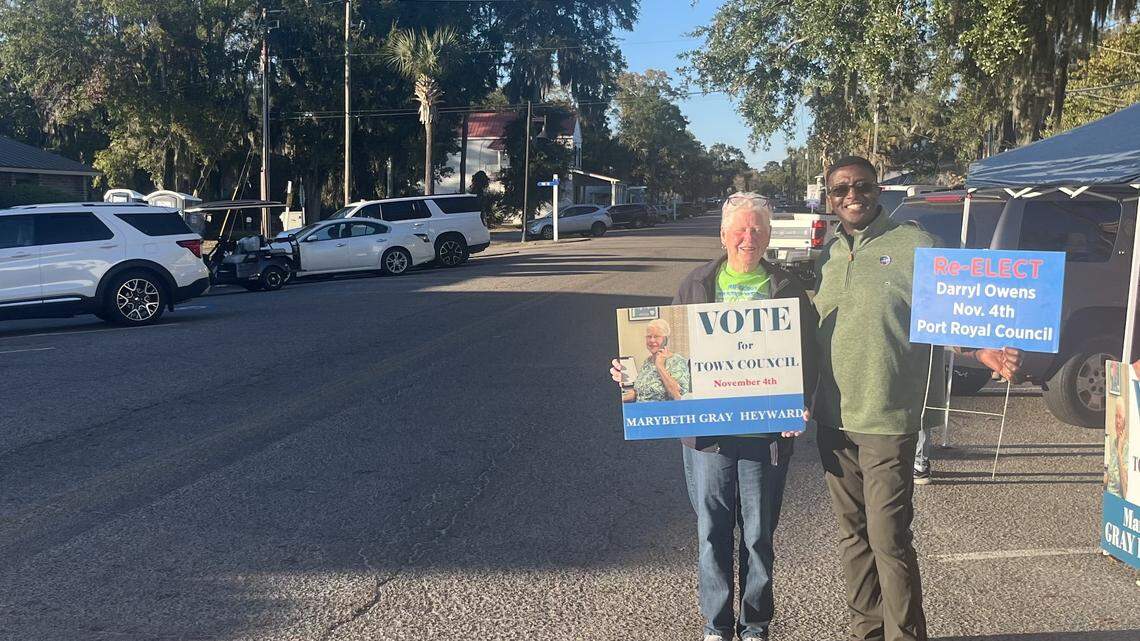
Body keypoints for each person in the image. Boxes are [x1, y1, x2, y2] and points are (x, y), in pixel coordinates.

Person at [813, 156, 1022, 641]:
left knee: (888, 540)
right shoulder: (826, 255)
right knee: (854, 540)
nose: (852, 196)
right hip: (833, 417)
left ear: (879, 189)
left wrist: (982, 348)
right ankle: (866, 632)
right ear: (829, 198)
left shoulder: (916, 245)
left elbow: (952, 313)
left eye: (862, 186)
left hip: (888, 415)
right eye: (841, 189)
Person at [610, 192, 819, 641]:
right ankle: (717, 624)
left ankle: (755, 622)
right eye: (740, 229)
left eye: (758, 229)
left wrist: (803, 401)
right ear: (723, 234)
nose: (749, 237)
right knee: (712, 532)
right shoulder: (695, 285)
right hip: (707, 436)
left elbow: (811, 355)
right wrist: (627, 373)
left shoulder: (788, 288)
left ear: (768, 235)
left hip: (767, 432)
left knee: (759, 535)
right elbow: (670, 354)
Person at [622, 318, 691, 403]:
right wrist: (630, 395)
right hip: (640, 411)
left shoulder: (677, 361)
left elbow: (677, 395)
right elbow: (639, 391)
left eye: (656, 336)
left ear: (666, 339)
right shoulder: (647, 362)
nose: (652, 340)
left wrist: (660, 366)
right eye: (649, 336)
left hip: (660, 413)